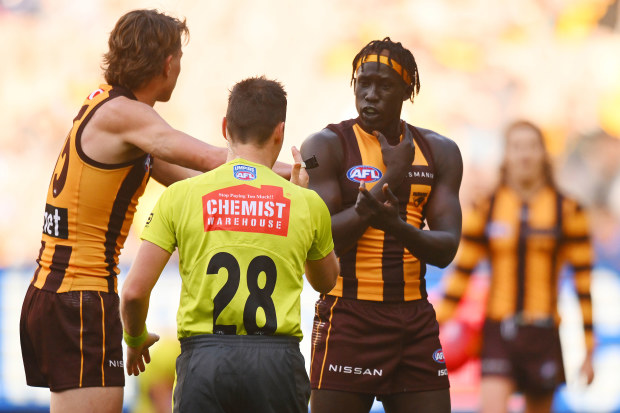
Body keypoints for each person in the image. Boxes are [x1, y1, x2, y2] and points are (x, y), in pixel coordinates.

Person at [18, 9, 292, 413]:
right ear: (168, 63)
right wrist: (310, 170)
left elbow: (197, 182)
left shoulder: (111, 109)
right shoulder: (127, 115)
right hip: (78, 295)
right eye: (179, 58)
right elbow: (215, 159)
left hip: (66, 291)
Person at [120, 76, 340, 413]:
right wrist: (300, 197)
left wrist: (135, 339)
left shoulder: (181, 195)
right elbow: (325, 282)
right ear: (279, 131)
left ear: (225, 127)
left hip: (205, 361)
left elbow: (134, 292)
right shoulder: (306, 204)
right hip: (276, 363)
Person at [300, 37, 463, 413]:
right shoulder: (325, 145)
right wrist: (393, 175)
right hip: (348, 315)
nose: (370, 95)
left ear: (408, 90)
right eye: (363, 83)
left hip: (414, 321)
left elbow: (446, 249)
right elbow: (320, 241)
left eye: (384, 86)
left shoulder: (440, 150)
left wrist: (398, 226)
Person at [435, 120, 595, 413]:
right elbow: (461, 277)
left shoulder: (569, 210)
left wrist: (588, 348)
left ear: (544, 155)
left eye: (532, 147)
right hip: (499, 330)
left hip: (544, 331)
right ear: (506, 156)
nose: (525, 155)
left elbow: (584, 283)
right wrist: (432, 329)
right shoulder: (486, 208)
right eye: (517, 147)